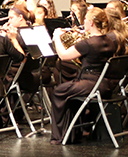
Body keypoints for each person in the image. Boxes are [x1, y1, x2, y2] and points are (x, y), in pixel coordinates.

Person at [49, 8, 117, 144]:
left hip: (90, 83)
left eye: (85, 19)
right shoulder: (110, 40)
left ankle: (60, 136)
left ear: (91, 23)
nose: (83, 22)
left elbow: (63, 56)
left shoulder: (87, 44)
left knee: (59, 91)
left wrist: (57, 37)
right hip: (104, 84)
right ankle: (73, 132)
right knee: (69, 93)